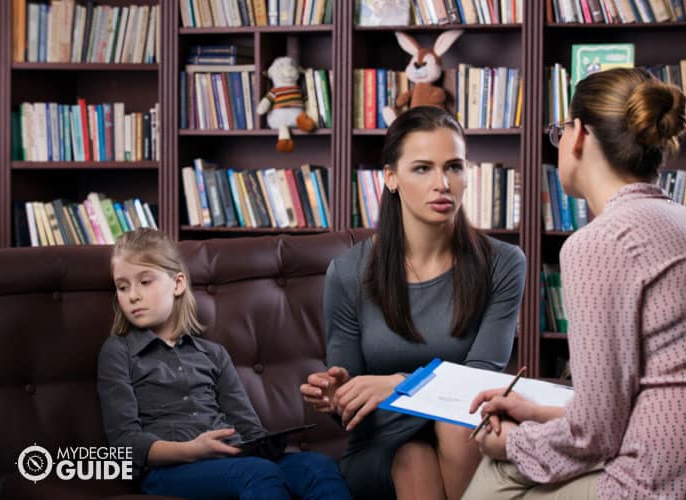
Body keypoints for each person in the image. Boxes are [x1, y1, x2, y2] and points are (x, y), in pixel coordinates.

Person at [463, 67, 686, 499]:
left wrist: (511, 441)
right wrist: (540, 413)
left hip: (666, 483)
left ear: (581, 134)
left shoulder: (599, 243)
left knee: (499, 468)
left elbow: (595, 433)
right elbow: (657, 394)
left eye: (561, 129)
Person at [300, 105, 527, 500]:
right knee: (414, 458)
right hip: (381, 441)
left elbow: (478, 383)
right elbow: (349, 403)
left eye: (454, 167)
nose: (442, 183)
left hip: (465, 430)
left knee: (454, 428)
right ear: (391, 178)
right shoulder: (349, 272)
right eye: (422, 168)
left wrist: (402, 383)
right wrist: (337, 396)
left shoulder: (504, 264)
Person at [97, 228, 352, 500]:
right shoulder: (118, 351)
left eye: (145, 282)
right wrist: (193, 450)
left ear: (178, 284)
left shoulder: (213, 354)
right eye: (123, 287)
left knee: (317, 467)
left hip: (232, 458)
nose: (132, 295)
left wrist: (266, 443)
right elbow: (124, 444)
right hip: (170, 469)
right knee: (257, 474)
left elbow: (249, 428)